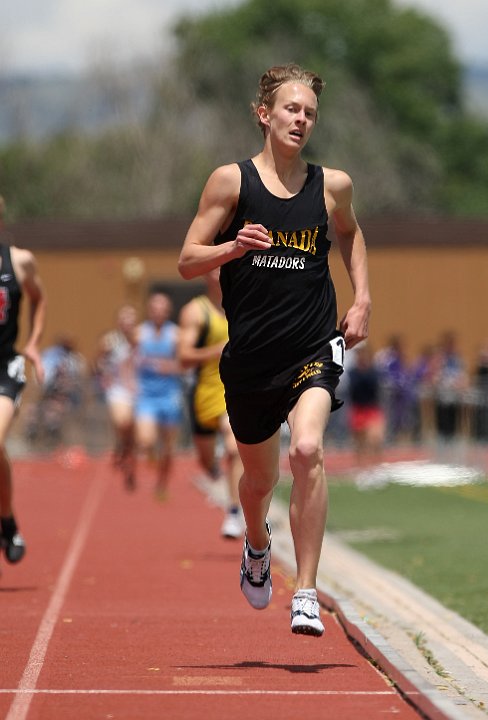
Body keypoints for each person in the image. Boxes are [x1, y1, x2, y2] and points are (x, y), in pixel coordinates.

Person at [178, 64, 371, 637]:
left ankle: (306, 590)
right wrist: (231, 247)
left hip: (313, 345)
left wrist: (363, 300)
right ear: (264, 114)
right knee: (257, 482)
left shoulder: (331, 185)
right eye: (292, 109)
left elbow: (351, 234)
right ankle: (257, 545)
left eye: (310, 112)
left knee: (307, 450)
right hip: (252, 358)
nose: (302, 120)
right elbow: (187, 258)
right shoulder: (230, 183)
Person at [179, 269, 245, 539]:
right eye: (217, 268)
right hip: (204, 393)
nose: (222, 273)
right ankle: (218, 470)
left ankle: (234, 512)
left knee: (234, 447)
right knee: (207, 463)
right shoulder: (196, 311)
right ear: (207, 274)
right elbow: (183, 357)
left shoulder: (244, 304)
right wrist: (216, 351)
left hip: (232, 391)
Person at [0, 195, 47, 565]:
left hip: (5, 366)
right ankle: (8, 518)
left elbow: (38, 298)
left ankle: (6, 521)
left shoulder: (18, 260)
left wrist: (32, 342)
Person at [134, 292, 183, 501]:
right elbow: (127, 360)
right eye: (154, 308)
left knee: (168, 448)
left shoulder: (176, 335)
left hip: (169, 395)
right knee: (145, 441)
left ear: (168, 311)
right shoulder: (139, 334)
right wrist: (128, 381)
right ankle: (152, 454)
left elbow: (184, 364)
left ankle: (162, 483)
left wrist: (169, 366)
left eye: (162, 308)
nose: (158, 312)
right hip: (146, 395)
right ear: (149, 309)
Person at [95, 305, 138, 490]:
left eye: (131, 318)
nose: (127, 322)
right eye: (124, 318)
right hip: (118, 389)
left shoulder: (141, 339)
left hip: (138, 389)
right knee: (122, 422)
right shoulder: (109, 341)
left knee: (133, 428)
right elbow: (96, 362)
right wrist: (103, 376)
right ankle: (123, 445)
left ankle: (126, 450)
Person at [347, 343, 385, 473]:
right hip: (358, 409)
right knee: (359, 442)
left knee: (375, 439)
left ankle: (376, 467)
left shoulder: (374, 371)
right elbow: (354, 388)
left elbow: (373, 386)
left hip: (371, 408)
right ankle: (361, 468)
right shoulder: (353, 372)